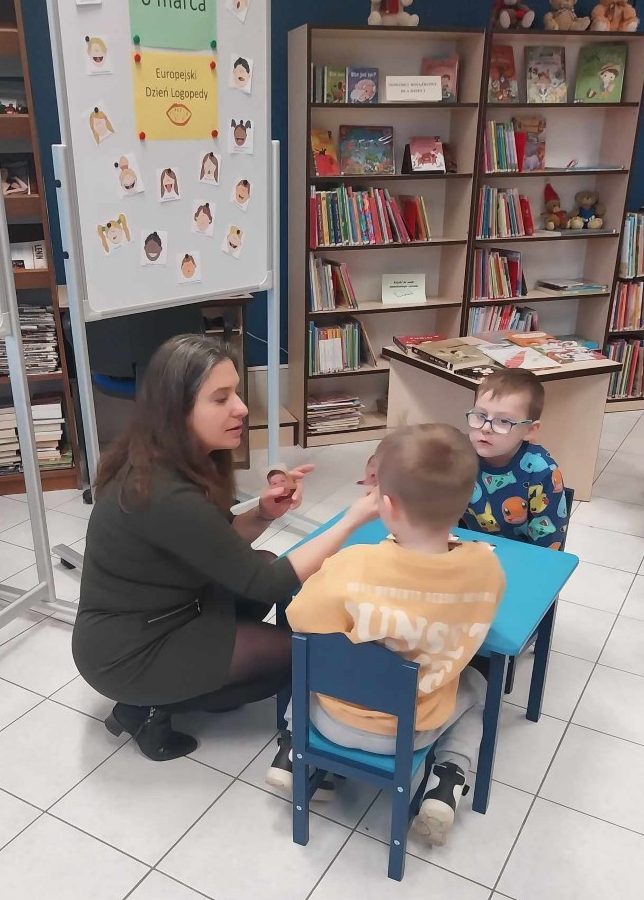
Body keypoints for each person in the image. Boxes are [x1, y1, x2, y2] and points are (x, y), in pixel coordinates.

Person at [72, 334, 378, 762]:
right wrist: (352, 519)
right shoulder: (163, 491)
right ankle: (146, 707)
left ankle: (187, 685)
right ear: (176, 410)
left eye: (236, 392)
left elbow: (214, 541)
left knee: (264, 559)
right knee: (294, 655)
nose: (241, 408)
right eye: (220, 399)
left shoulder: (175, 458)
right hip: (128, 653)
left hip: (161, 615)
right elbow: (266, 584)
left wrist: (263, 513)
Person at [266, 424, 505, 846]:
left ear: (385, 505)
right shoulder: (485, 569)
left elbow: (300, 619)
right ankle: (448, 779)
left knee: (308, 659)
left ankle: (292, 749)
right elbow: (479, 624)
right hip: (411, 729)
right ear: (468, 498)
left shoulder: (353, 564)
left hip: (332, 720)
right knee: (476, 684)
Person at [463, 369, 568, 549]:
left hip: (520, 556)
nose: (486, 428)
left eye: (503, 421)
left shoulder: (542, 473)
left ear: (529, 430)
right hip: (466, 551)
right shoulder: (458, 454)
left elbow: (547, 544)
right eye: (480, 416)